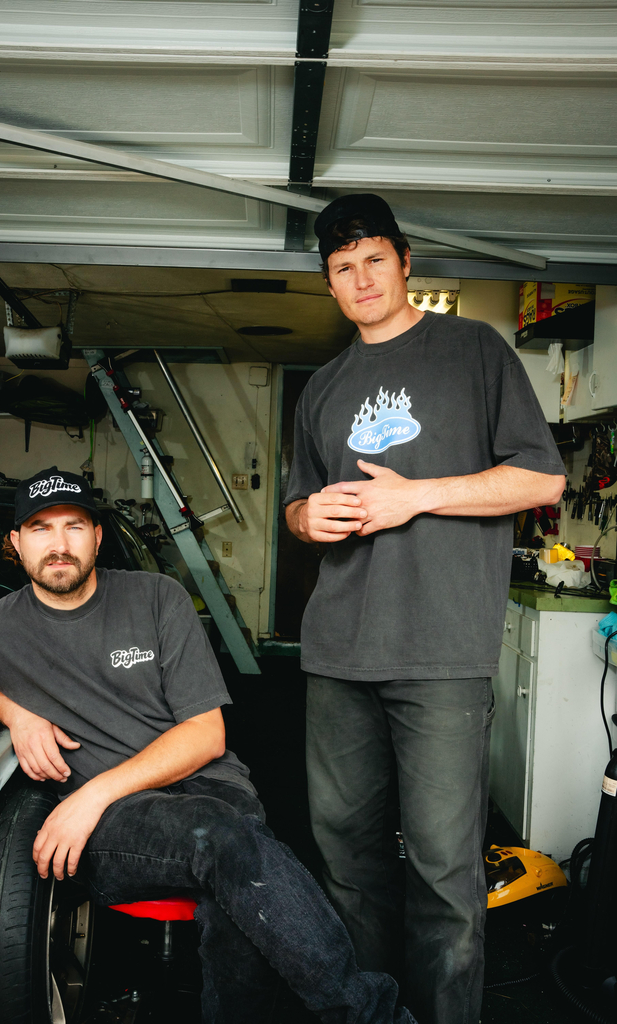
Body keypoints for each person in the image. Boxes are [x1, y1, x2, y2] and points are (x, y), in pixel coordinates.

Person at [0, 465, 415, 1024]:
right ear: (16, 543)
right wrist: (15, 713)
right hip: (116, 824)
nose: (59, 545)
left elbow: (205, 733)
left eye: (74, 526)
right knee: (223, 841)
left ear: (97, 537)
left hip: (190, 785)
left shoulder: (157, 598)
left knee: (233, 883)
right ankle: (373, 1015)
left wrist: (90, 795)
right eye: (41, 529)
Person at [283, 194, 566, 1024]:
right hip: (338, 653)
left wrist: (420, 498)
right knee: (347, 865)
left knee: (444, 873)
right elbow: (298, 506)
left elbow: (542, 479)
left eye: (374, 258)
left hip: (441, 654)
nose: (360, 278)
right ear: (329, 286)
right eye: (342, 268)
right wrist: (306, 518)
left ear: (404, 262)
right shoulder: (323, 388)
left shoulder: (473, 350)